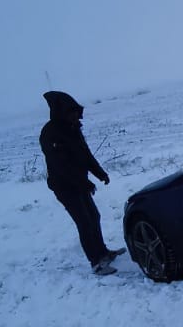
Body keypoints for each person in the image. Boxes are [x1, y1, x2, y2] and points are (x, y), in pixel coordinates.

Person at [39, 90, 122, 276]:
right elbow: (61, 166)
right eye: (71, 111)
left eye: (76, 111)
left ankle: (103, 253)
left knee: (94, 216)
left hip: (79, 183)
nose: (75, 115)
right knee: (84, 221)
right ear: (60, 112)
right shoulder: (50, 134)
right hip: (64, 186)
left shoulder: (73, 128)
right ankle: (96, 263)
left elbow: (85, 155)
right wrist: (84, 183)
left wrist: (100, 173)